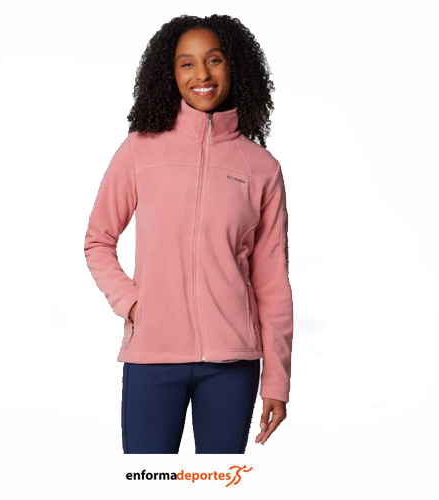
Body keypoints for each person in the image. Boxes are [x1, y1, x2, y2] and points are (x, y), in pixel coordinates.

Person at [84, 14, 294, 454]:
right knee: (148, 481)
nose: (202, 74)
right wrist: (133, 303)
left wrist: (277, 379)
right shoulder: (140, 149)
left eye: (213, 60)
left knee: (219, 483)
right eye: (187, 63)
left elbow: (272, 281)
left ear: (234, 66)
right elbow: (98, 240)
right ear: (170, 73)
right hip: (153, 357)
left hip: (232, 364)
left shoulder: (261, 168)